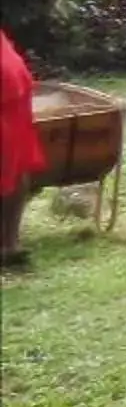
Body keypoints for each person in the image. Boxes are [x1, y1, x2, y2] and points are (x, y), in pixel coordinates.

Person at [0, 27, 42, 267]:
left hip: (6, 80)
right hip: (12, 76)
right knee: (13, 160)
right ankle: (9, 242)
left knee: (9, 160)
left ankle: (8, 244)